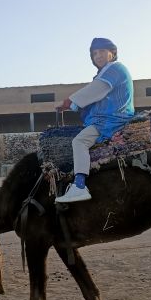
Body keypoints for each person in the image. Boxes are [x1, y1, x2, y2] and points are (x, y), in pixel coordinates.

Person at [54, 37, 135, 203]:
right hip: (109, 117)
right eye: (94, 53)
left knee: (79, 142)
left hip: (111, 119)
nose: (97, 56)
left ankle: (79, 186)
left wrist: (68, 103)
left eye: (102, 51)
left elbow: (94, 90)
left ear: (112, 53)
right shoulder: (108, 71)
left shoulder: (114, 69)